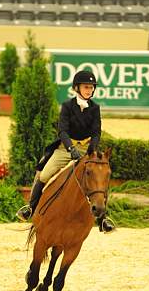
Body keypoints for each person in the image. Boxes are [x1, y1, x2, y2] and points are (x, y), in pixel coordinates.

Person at [17, 70, 115, 233]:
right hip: (66, 148)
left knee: (100, 175)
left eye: (91, 88)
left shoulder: (95, 108)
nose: (89, 90)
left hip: (87, 149)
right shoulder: (67, 106)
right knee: (44, 175)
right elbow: (62, 131)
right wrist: (71, 148)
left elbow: (97, 132)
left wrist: (93, 148)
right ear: (77, 88)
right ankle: (30, 208)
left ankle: (104, 220)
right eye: (86, 87)